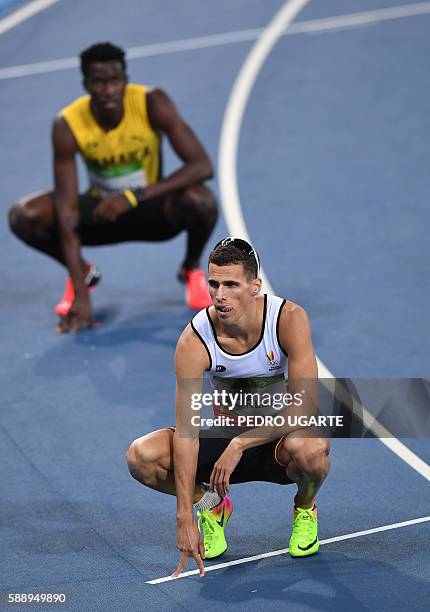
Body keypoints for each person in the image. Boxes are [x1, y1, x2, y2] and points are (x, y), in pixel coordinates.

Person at [126, 237, 331, 577]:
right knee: (141, 456)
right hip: (223, 443)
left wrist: (242, 442)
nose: (220, 294)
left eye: (231, 284)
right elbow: (188, 431)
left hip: (274, 442)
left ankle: (305, 507)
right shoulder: (195, 340)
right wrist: (184, 516)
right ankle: (211, 506)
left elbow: (305, 408)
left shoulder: (288, 319)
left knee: (314, 448)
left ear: (255, 287)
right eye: (214, 283)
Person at [8, 42, 218, 332]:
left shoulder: (150, 103)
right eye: (98, 82)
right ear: (86, 84)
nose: (108, 90)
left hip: (150, 210)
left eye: (114, 81)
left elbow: (202, 165)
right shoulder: (67, 124)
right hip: (101, 213)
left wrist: (133, 196)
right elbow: (67, 212)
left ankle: (190, 268)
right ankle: (83, 273)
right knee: (23, 215)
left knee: (202, 200)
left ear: (125, 80)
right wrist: (82, 297)